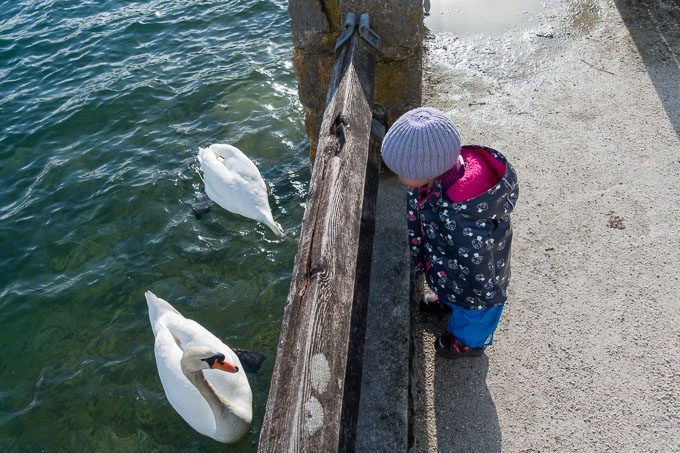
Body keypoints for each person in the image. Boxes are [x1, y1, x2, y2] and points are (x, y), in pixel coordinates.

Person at [380, 107, 519, 359]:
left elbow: (479, 262)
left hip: (474, 280)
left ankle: (469, 344)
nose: (397, 176)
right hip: (449, 263)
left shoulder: (460, 214)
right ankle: (449, 299)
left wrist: (485, 294)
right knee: (452, 286)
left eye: (401, 172)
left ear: (426, 172)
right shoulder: (439, 174)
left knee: (473, 313)